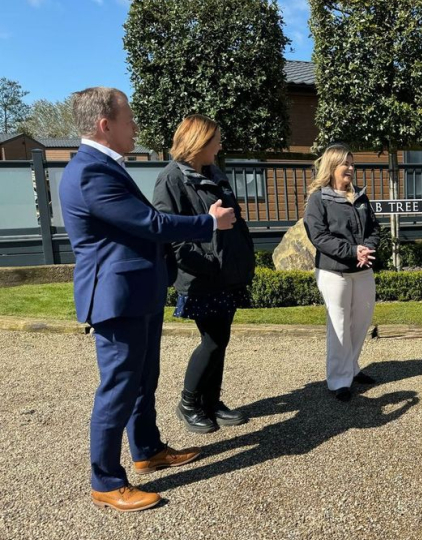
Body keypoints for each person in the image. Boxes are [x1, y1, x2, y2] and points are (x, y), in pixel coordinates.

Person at [59, 88, 237, 512]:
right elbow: (148, 222)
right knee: (118, 388)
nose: (135, 125)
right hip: (116, 298)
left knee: (143, 380)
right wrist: (207, 222)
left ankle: (147, 450)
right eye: (129, 118)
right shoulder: (90, 172)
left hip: (137, 293)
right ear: (105, 124)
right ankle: (105, 480)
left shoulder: (103, 168)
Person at [153, 114, 255, 434]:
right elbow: (172, 236)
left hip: (226, 274)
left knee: (220, 340)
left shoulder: (212, 172)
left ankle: (211, 401)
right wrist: (208, 264)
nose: (220, 146)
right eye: (216, 141)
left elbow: (232, 219)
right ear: (198, 143)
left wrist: (240, 258)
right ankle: (187, 404)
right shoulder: (171, 179)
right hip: (201, 276)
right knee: (212, 340)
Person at [303, 143, 380, 402]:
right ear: (332, 167)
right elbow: (319, 236)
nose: (350, 168)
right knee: (338, 325)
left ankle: (352, 367)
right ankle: (338, 380)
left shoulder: (360, 196)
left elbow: (374, 229)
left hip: (363, 270)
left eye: (352, 163)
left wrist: (368, 248)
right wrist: (352, 251)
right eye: (345, 164)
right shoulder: (318, 198)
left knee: (360, 323)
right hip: (334, 272)